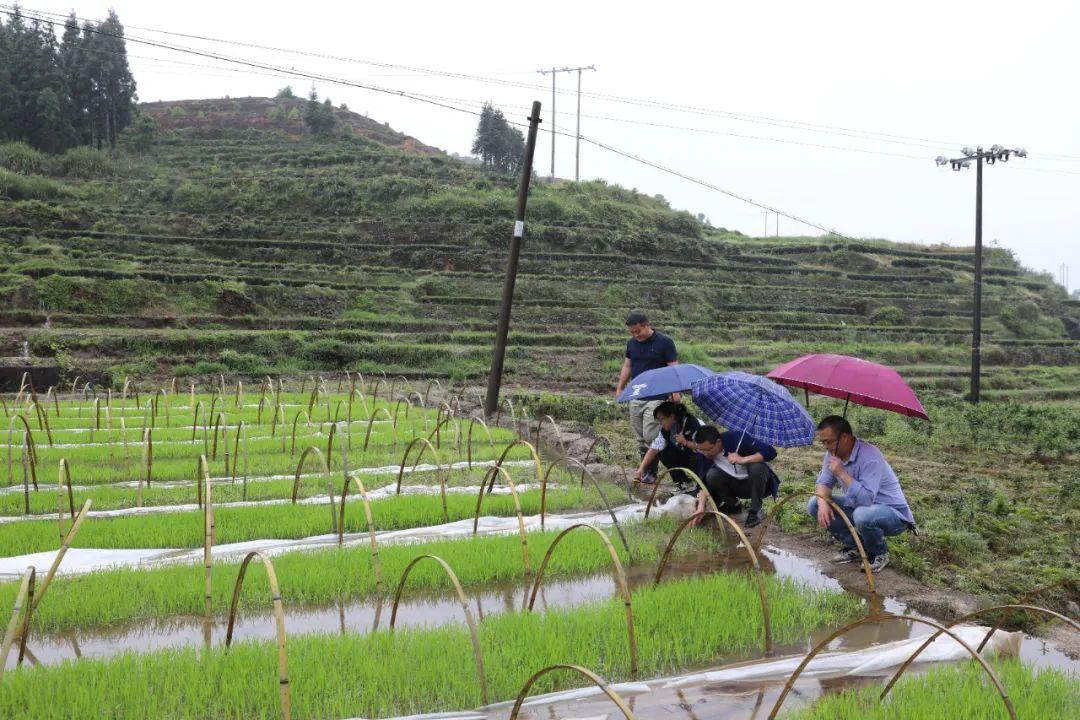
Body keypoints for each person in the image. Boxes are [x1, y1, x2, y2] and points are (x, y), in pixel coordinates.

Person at [808, 415, 916, 573]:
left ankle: (879, 553)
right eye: (823, 442)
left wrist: (842, 473)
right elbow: (823, 482)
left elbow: (866, 499)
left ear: (844, 437)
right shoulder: (832, 455)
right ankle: (856, 547)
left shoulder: (870, 456)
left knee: (862, 515)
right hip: (860, 507)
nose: (826, 447)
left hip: (893, 515)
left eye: (829, 442)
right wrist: (822, 503)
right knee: (814, 504)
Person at [613, 312, 678, 483]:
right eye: (632, 332)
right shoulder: (632, 343)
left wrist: (675, 393)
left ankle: (652, 472)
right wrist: (620, 388)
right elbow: (628, 365)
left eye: (638, 331)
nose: (635, 335)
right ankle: (645, 470)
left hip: (658, 395)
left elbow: (673, 368)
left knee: (651, 435)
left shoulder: (664, 342)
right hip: (637, 394)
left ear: (647, 325)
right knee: (640, 436)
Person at [683, 425, 779, 528]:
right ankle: (733, 505)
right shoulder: (704, 454)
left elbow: (771, 452)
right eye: (702, 450)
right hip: (735, 486)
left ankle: (754, 511)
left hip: (758, 485)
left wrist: (743, 459)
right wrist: (700, 508)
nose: (705, 453)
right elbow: (702, 483)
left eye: (708, 449)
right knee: (711, 475)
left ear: (718, 442)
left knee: (757, 467)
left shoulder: (736, 438)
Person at [633, 401, 702, 490]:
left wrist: (686, 442)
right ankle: (683, 482)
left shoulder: (692, 423)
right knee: (664, 452)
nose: (660, 423)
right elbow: (654, 448)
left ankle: (702, 487)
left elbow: (703, 447)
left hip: (701, 459)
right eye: (658, 420)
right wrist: (641, 469)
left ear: (672, 416)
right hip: (684, 457)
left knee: (696, 457)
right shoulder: (666, 430)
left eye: (661, 419)